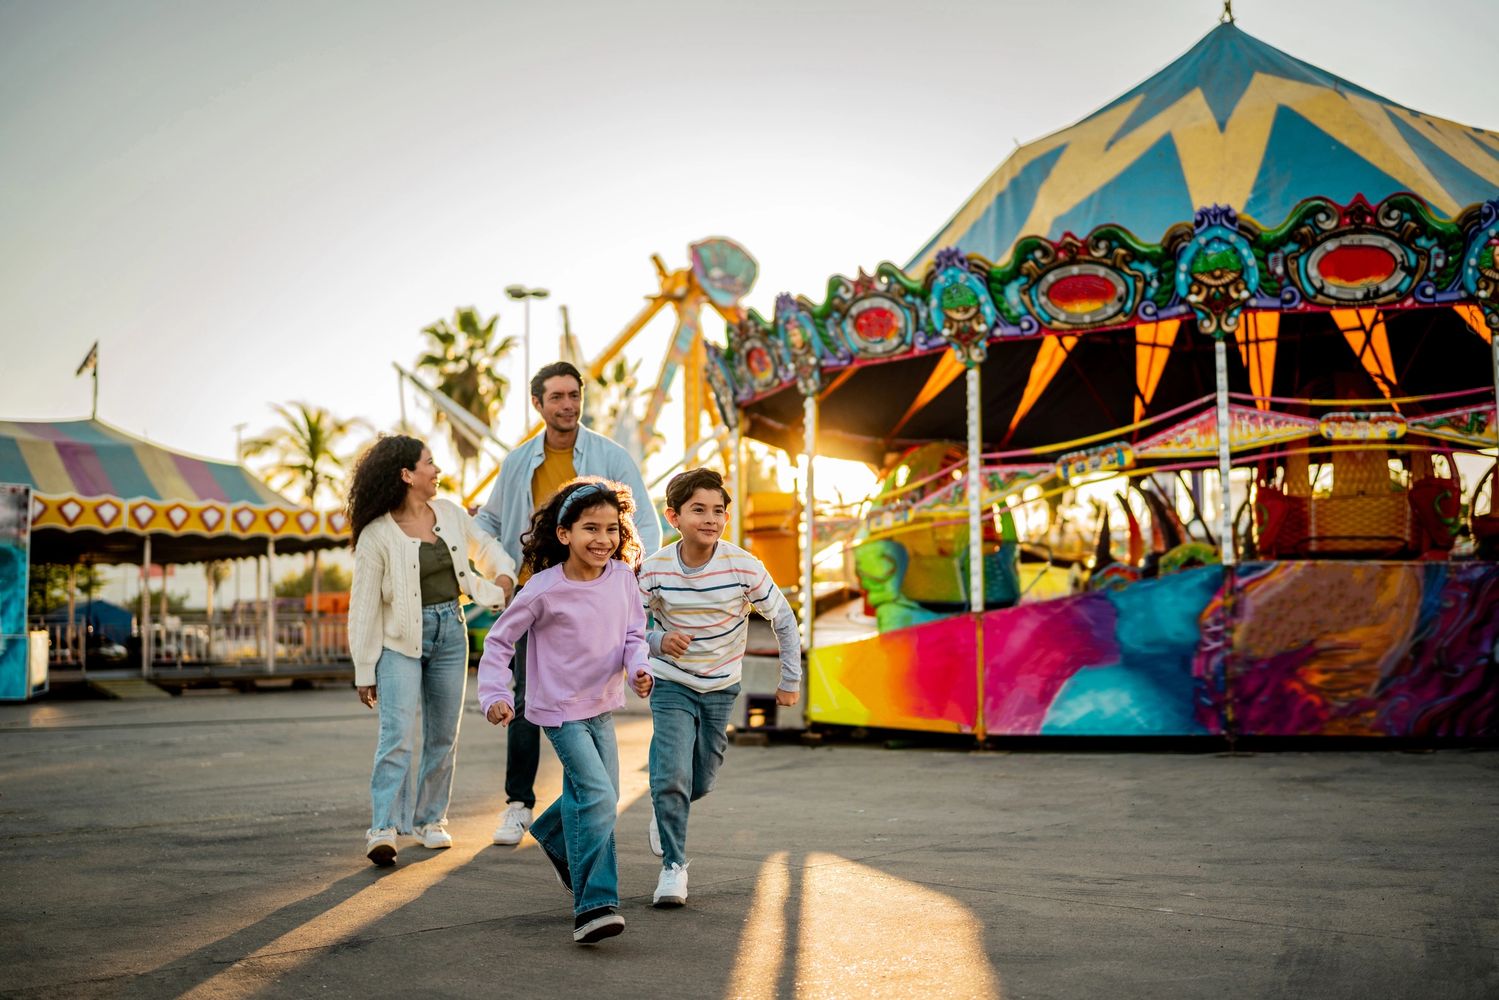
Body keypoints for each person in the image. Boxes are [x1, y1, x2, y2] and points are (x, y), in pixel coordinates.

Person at [474, 360, 661, 846]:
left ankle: (568, 817)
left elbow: (645, 522)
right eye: (556, 396)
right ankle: (519, 803)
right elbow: (488, 523)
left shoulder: (610, 454)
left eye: (573, 395)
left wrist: (632, 583)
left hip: (593, 592)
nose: (567, 405)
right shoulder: (517, 462)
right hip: (535, 592)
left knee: (589, 704)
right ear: (538, 404)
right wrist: (498, 568)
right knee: (523, 698)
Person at [477, 477, 653, 944]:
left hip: (601, 705)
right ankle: (594, 905)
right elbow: (498, 642)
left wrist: (639, 668)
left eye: (612, 529)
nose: (603, 539)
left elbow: (635, 635)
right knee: (596, 798)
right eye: (590, 528)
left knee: (603, 796)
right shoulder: (541, 589)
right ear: (564, 534)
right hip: (557, 710)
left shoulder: (621, 579)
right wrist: (494, 695)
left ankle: (554, 833)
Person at [346, 435, 517, 867]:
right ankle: (383, 826)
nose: (437, 470)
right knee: (397, 738)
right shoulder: (376, 534)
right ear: (407, 475)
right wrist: (365, 668)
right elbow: (363, 607)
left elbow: (484, 546)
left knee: (443, 735)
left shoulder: (451, 515)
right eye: (429, 464)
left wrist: (503, 575)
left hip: (450, 632)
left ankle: (429, 820)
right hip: (399, 642)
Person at [638, 468, 801, 907]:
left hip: (722, 686)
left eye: (719, 511)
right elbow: (629, 625)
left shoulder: (743, 566)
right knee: (672, 774)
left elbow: (783, 619)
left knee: (702, 781)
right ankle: (673, 867)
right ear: (673, 516)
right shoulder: (654, 570)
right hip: (671, 682)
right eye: (699, 510)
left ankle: (664, 801)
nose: (711, 518)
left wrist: (790, 680)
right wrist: (656, 641)